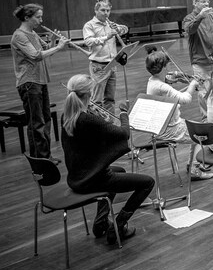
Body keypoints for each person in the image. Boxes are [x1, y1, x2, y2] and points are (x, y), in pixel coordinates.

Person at [61, 74, 155, 244]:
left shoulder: (68, 115)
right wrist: (124, 113)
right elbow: (123, 134)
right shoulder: (88, 119)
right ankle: (118, 227)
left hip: (77, 177)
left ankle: (101, 223)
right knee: (147, 183)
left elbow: (93, 138)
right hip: (91, 179)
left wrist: (99, 118)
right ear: (89, 94)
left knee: (119, 170)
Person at [144, 47, 212, 180]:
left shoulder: (153, 81)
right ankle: (194, 170)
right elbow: (185, 99)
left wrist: (181, 79)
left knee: (197, 129)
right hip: (169, 128)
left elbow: (171, 93)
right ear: (164, 67)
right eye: (167, 64)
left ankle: (192, 164)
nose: (170, 67)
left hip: (163, 124)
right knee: (202, 134)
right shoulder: (162, 86)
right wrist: (192, 84)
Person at [11, 3, 68, 162]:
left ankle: (46, 156)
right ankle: (40, 160)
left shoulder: (33, 33)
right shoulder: (19, 36)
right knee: (36, 123)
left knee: (45, 119)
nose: (41, 20)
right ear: (27, 18)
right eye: (38, 17)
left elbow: (45, 49)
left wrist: (54, 41)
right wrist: (59, 47)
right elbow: (36, 56)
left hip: (40, 80)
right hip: (29, 82)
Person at [83, 0, 129, 115]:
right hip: (99, 66)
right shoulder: (89, 25)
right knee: (96, 101)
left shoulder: (110, 24)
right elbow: (88, 41)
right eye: (103, 10)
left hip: (112, 64)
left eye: (108, 10)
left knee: (110, 99)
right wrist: (106, 37)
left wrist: (119, 28)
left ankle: (110, 122)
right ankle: (97, 122)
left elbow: (125, 29)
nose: (106, 13)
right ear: (96, 10)